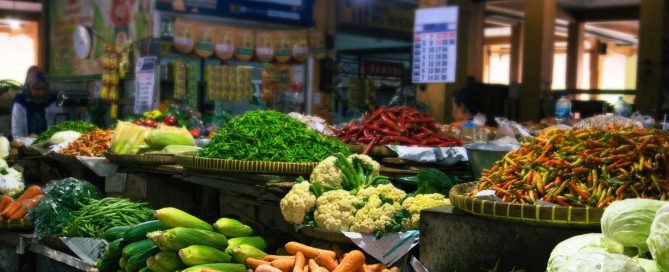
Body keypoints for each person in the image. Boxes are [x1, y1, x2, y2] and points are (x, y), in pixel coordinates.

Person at [11, 71, 62, 142]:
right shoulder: (20, 103)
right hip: (26, 147)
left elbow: (60, 126)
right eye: (36, 89)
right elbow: (17, 132)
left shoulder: (52, 102)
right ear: (28, 87)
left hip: (50, 146)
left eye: (44, 89)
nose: (41, 93)